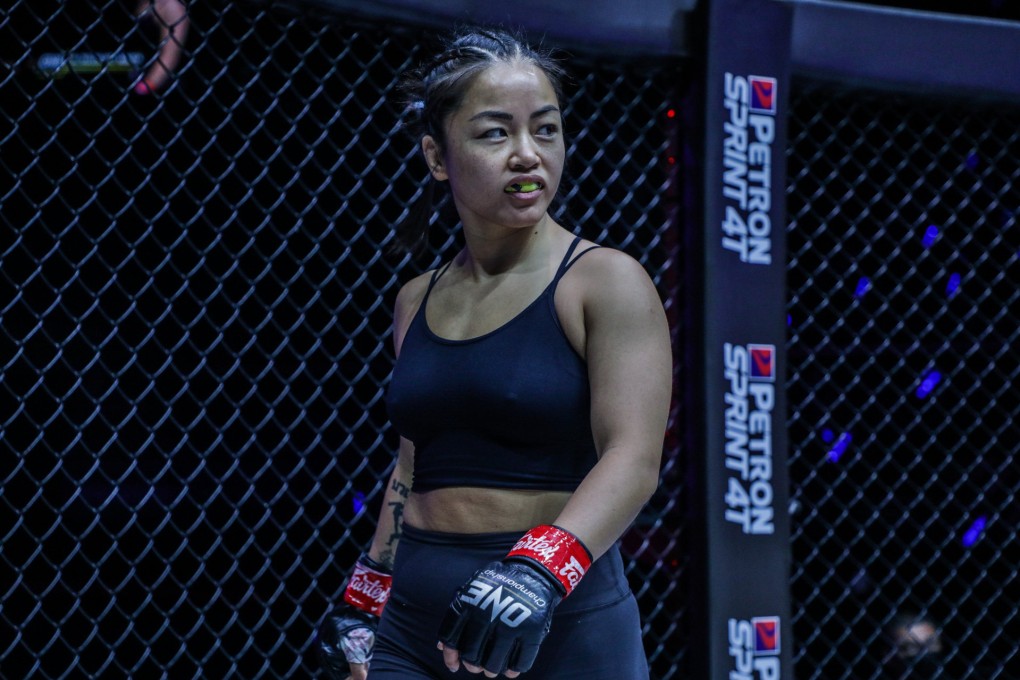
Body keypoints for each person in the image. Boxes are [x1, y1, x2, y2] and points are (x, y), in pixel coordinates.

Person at [318, 26, 672, 679]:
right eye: (494, 133)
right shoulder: (416, 299)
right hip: (415, 621)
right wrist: (368, 587)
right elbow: (415, 458)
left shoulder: (605, 281)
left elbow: (634, 458)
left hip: (560, 618)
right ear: (436, 155)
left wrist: (538, 570)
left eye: (545, 129)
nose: (527, 154)